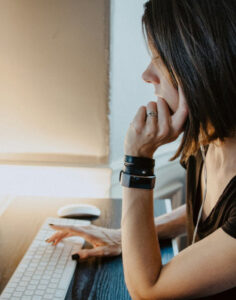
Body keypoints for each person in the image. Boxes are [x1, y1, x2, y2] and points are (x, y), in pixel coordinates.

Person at [46, 0, 236, 298]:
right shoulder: (208, 144)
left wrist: (138, 160)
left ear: (203, 64)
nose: (147, 74)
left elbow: (147, 290)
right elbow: (216, 215)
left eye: (160, 59)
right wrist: (126, 237)